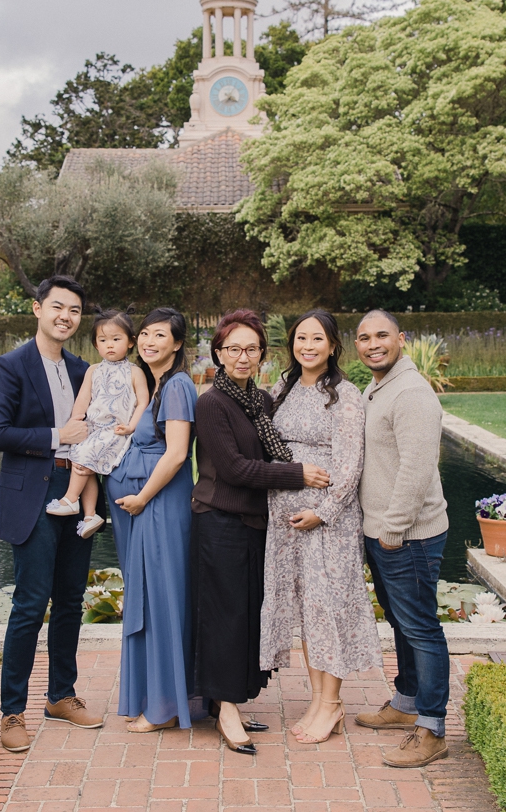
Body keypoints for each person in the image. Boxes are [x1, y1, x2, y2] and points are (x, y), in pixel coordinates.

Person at [191, 309, 331, 754]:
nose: (243, 356)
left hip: (257, 523)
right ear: (218, 353)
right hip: (220, 522)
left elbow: (274, 451)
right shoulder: (211, 403)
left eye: (251, 348)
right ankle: (225, 708)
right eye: (233, 348)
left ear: (263, 355)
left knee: (249, 614)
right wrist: (299, 474)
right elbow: (233, 469)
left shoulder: (263, 401)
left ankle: (230, 698)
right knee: (226, 618)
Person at [0, 275, 105, 753]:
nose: (66, 317)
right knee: (30, 605)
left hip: (77, 487)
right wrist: (58, 436)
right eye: (58, 307)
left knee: (71, 599)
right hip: (33, 490)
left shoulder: (83, 369)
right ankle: (13, 712)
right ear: (37, 309)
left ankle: (61, 696)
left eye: (74, 310)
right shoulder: (10, 366)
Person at [261, 309, 381, 744]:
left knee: (327, 606)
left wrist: (323, 512)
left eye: (317, 339)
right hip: (287, 521)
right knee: (307, 610)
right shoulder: (282, 387)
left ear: (332, 346)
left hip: (327, 523)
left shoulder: (345, 395)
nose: (307, 346)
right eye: (300, 339)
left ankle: (332, 704)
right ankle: (317, 698)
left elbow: (350, 466)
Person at [352, 309, 451, 768]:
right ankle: (407, 701)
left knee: (421, 629)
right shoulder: (379, 387)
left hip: (407, 535)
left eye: (382, 336)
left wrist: (391, 530)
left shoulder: (412, 393)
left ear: (402, 339)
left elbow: (416, 469)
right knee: (403, 624)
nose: (373, 344)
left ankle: (432, 728)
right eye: (364, 337)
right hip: (385, 532)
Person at [105, 307, 199, 732]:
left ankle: (164, 706)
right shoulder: (152, 383)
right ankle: (156, 695)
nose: (148, 341)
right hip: (144, 507)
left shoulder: (177, 386)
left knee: (162, 601)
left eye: (160, 335)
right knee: (148, 597)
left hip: (159, 505)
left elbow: (177, 454)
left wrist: (141, 496)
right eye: (144, 333)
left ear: (177, 344)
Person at [46, 309, 151, 539]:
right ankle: (90, 514)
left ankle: (70, 499)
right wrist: (75, 420)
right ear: (96, 344)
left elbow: (143, 401)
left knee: (82, 460)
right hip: (94, 430)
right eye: (103, 340)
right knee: (86, 467)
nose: (109, 345)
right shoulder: (93, 370)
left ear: (131, 342)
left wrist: (132, 426)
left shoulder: (135, 372)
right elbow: (83, 399)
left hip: (116, 431)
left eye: (116, 339)